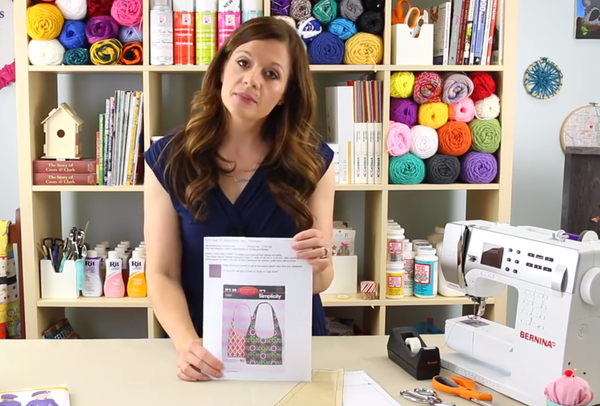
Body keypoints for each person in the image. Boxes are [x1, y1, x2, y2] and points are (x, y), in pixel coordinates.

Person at [143, 16, 336, 383]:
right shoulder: (168, 159)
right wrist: (187, 345)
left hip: (290, 350)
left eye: (272, 74)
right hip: (204, 351)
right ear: (222, 69)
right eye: (243, 63)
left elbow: (321, 280)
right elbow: (162, 273)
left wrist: (321, 263)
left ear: (285, 95)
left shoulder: (315, 164)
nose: (251, 80)